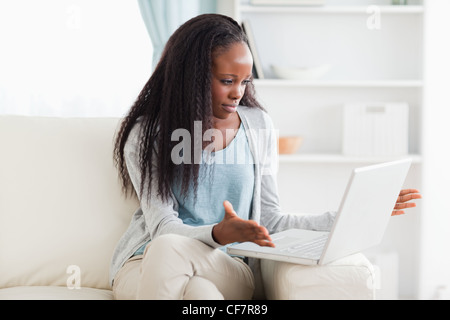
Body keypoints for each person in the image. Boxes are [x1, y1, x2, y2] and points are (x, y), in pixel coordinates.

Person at [109, 13, 421, 300]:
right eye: (228, 81)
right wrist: (218, 232)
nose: (238, 93)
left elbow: (271, 220)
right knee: (198, 293)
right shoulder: (148, 134)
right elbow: (163, 227)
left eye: (245, 82)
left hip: (228, 265)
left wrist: (349, 216)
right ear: (192, 77)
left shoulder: (258, 127)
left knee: (184, 265)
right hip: (145, 261)